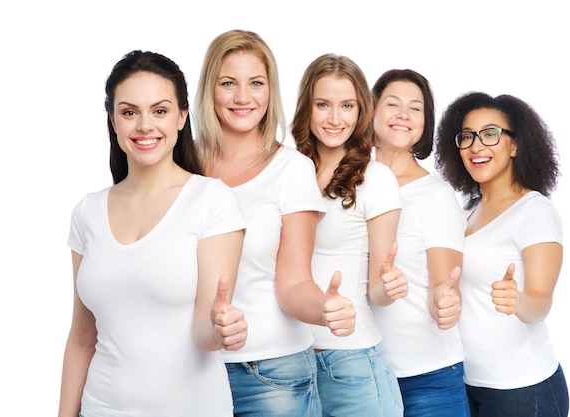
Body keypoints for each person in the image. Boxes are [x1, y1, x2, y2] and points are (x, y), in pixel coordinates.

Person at [58, 50, 248, 417]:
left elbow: (203, 332)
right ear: (113, 120)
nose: (145, 125)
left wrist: (223, 328)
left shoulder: (212, 201)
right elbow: (82, 339)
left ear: (181, 116)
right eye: (130, 112)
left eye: (159, 111)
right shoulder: (87, 212)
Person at [194, 30, 356, 417]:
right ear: (209, 89)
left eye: (256, 83)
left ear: (271, 91)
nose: (243, 97)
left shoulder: (292, 170)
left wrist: (324, 308)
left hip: (271, 374)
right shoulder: (182, 167)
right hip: (190, 372)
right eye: (228, 83)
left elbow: (294, 280)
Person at [434, 92, 569, 417]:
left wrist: (519, 300)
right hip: (472, 384)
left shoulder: (534, 210)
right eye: (467, 136)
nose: (476, 146)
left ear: (515, 145)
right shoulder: (470, 212)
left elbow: (541, 302)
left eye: (490, 134)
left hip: (522, 389)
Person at [292, 53, 404, 417]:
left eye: (347, 106)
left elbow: (378, 289)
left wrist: (390, 286)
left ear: (361, 112)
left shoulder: (377, 179)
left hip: (353, 365)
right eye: (323, 104)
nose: (335, 118)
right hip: (294, 363)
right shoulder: (289, 172)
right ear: (307, 107)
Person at [370, 69, 470, 417]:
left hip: (427, 379)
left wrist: (446, 301)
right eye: (392, 104)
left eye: (415, 108)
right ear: (371, 111)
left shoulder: (436, 196)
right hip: (359, 377)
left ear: (425, 124)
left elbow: (444, 286)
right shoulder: (347, 183)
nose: (402, 114)